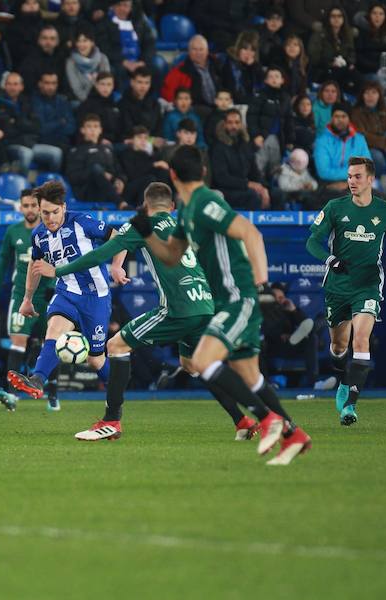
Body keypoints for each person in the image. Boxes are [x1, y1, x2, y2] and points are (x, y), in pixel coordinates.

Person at [36, 182, 263, 442]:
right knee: (193, 364)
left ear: (145, 206)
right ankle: (243, 421)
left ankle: (111, 421)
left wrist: (59, 271)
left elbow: (100, 253)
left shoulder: (142, 225)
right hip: (205, 304)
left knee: (116, 345)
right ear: (172, 207)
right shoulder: (182, 226)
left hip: (178, 308)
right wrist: (118, 266)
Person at [131, 145, 312, 465]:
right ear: (202, 170)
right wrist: (146, 233)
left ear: (172, 175)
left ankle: (267, 418)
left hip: (237, 298)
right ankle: (294, 435)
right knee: (251, 377)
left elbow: (249, 232)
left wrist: (259, 283)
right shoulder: (187, 210)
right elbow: (172, 256)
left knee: (201, 361)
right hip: (225, 301)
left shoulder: (206, 202)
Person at [6, 181, 129, 410]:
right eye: (45, 213)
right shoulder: (38, 235)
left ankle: (116, 399)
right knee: (53, 331)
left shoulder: (82, 222)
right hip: (66, 292)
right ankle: (37, 380)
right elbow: (36, 265)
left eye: (55, 212)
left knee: (95, 359)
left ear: (63, 207)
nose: (50, 218)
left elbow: (120, 237)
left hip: (96, 296)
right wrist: (27, 299)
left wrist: (116, 266)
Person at [306, 156, 386, 425]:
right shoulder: (334, 207)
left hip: (369, 285)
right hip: (338, 286)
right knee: (339, 345)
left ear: (371, 179)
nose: (352, 181)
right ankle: (341, 380)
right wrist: (330, 259)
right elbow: (312, 241)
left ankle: (350, 406)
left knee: (360, 340)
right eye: (350, 176)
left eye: (357, 176)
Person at [0, 189, 57, 410]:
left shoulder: (49, 231)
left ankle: (53, 396)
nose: (29, 209)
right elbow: (3, 265)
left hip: (47, 297)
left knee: (51, 342)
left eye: (33, 205)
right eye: (25, 205)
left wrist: (51, 287)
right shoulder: (13, 232)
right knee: (18, 341)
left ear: (39, 208)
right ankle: (12, 395)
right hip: (21, 296)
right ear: (20, 207)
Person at [0, 72, 61, 173]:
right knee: (26, 153)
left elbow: (37, 126)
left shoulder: (27, 102)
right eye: (9, 84)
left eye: (15, 84)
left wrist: (17, 122)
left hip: (30, 143)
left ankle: (49, 186)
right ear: (5, 86)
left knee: (56, 153)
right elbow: (7, 131)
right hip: (10, 145)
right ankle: (23, 185)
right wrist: (25, 126)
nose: (12, 87)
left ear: (21, 87)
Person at [209, 109, 275, 210]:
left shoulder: (245, 145)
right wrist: (247, 184)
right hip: (225, 190)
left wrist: (263, 188)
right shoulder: (217, 147)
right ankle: (248, 225)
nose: (234, 126)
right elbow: (221, 178)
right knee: (253, 196)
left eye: (237, 122)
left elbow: (254, 172)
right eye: (230, 123)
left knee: (276, 194)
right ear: (224, 124)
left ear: (241, 124)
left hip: (243, 187)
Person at [260, 283, 318, 387]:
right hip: (272, 346)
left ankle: (314, 382)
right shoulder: (264, 310)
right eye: (275, 297)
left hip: (289, 345)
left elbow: (307, 326)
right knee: (261, 342)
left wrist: (294, 310)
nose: (278, 300)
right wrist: (280, 335)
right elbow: (265, 329)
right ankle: (266, 383)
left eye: (281, 297)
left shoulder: (288, 310)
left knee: (311, 337)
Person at [314, 102, 372, 198]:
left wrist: (348, 183)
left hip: (356, 184)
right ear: (331, 118)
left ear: (349, 118)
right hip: (328, 185)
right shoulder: (322, 140)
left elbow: (368, 167)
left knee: (380, 198)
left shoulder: (359, 139)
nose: (340, 120)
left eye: (343, 116)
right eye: (336, 116)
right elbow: (323, 172)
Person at [351, 81, 386, 176]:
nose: (370, 96)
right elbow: (362, 136)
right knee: (378, 157)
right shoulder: (356, 113)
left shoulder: (384, 110)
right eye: (367, 93)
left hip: (384, 146)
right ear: (362, 96)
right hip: (366, 147)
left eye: (374, 92)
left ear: (379, 96)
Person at [65, 114, 124, 204]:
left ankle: (145, 211)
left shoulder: (107, 149)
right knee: (95, 169)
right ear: (82, 130)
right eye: (89, 126)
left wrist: (120, 180)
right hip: (88, 191)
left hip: (110, 189)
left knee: (147, 178)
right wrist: (100, 173)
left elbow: (118, 170)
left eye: (96, 126)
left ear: (100, 130)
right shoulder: (76, 151)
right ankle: (120, 203)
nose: (93, 130)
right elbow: (73, 177)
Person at [95, 0, 156, 87]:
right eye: (118, 5)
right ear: (113, 7)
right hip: (117, 61)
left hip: (140, 60)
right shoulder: (105, 22)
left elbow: (150, 43)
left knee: (158, 64)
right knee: (117, 70)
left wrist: (143, 61)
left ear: (131, 7)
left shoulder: (139, 21)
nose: (122, 8)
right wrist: (124, 62)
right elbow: (104, 47)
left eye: (125, 5)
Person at [246, 66, 293, 180]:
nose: (274, 79)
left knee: (275, 170)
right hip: (263, 137)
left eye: (277, 76)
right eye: (270, 76)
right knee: (259, 168)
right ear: (265, 80)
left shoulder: (286, 97)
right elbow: (251, 116)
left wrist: (290, 140)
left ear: (282, 80)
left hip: (279, 138)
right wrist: (256, 135)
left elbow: (288, 120)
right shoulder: (260, 95)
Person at [160, 35, 225, 117]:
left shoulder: (218, 66)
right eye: (194, 49)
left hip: (222, 104)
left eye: (201, 49)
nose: (198, 53)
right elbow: (168, 94)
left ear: (207, 51)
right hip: (197, 109)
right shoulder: (180, 71)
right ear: (189, 51)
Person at [308, 5, 360, 94]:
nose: (336, 19)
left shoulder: (348, 35)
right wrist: (330, 63)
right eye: (333, 16)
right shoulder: (319, 34)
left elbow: (351, 52)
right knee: (336, 75)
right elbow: (314, 57)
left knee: (359, 79)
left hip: (344, 68)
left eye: (339, 16)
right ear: (328, 18)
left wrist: (350, 62)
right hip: (324, 70)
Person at [31, 71, 76, 157]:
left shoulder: (63, 101)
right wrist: (60, 122)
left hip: (64, 142)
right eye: (47, 83)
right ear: (40, 84)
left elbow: (72, 127)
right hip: (44, 142)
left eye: (54, 83)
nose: (51, 87)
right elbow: (41, 129)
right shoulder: (35, 102)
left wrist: (54, 126)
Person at [65, 27, 111, 103]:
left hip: (102, 99)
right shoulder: (71, 62)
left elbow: (106, 83)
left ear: (92, 42)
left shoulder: (103, 58)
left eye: (85, 41)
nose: (81, 44)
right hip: (82, 101)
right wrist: (90, 103)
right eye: (78, 41)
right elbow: (77, 89)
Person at [18, 24, 68, 93]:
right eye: (44, 38)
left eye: (52, 39)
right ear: (39, 40)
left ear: (57, 42)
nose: (48, 42)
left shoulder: (62, 60)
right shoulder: (29, 60)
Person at [75, 71, 122, 144]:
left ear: (113, 87)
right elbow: (81, 130)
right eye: (102, 84)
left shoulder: (116, 105)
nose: (106, 88)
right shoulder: (87, 105)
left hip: (115, 142)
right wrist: (100, 140)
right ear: (96, 85)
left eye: (109, 84)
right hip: (95, 142)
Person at [118, 66, 163, 140]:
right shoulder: (123, 104)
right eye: (140, 82)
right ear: (132, 82)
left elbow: (158, 131)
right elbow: (127, 131)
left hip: (151, 145)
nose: (143, 86)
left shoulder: (155, 104)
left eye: (146, 83)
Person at [219, 32, 264, 105]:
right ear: (238, 48)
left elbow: (261, 87)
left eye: (252, 50)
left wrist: (253, 67)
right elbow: (233, 92)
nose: (248, 53)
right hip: (234, 104)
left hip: (252, 104)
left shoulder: (256, 66)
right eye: (245, 49)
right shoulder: (229, 64)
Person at [356, 3, 386, 78]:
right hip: (365, 72)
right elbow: (359, 57)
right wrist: (376, 68)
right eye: (374, 13)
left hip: (385, 71)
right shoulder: (361, 33)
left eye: (381, 14)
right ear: (369, 15)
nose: (377, 16)